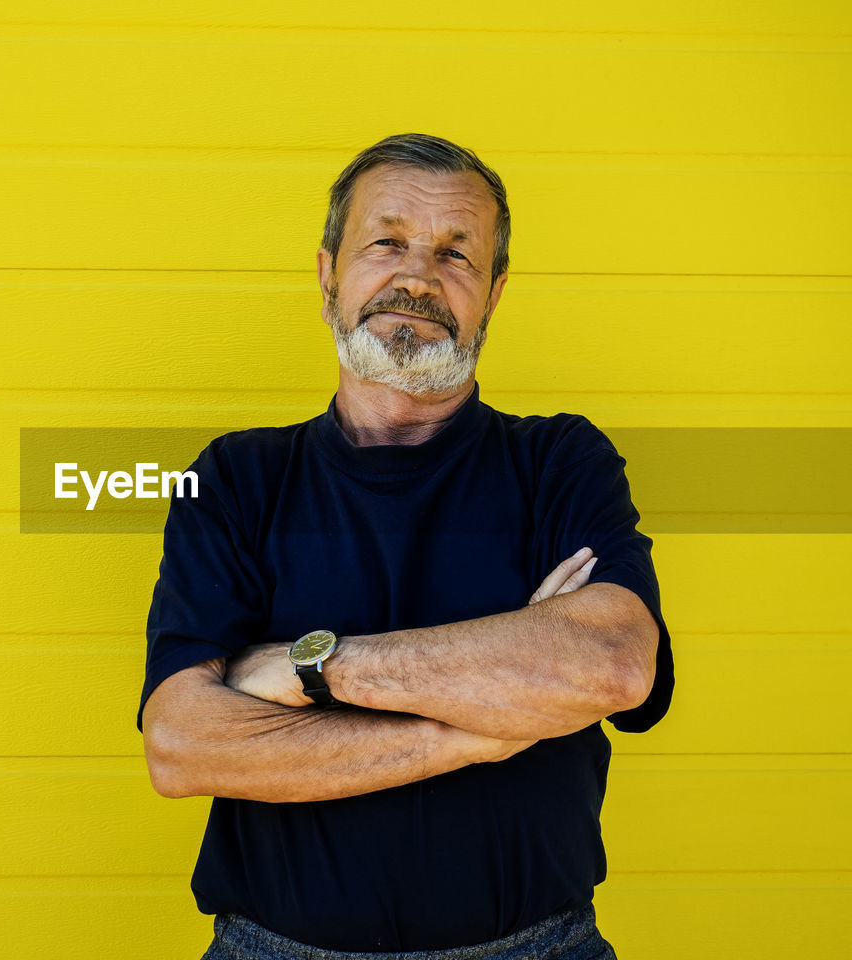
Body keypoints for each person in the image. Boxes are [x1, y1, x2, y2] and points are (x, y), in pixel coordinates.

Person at [138, 133, 675, 960]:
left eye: (455, 254)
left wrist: (302, 668)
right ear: (328, 278)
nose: (418, 277)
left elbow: (611, 665)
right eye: (386, 241)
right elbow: (181, 745)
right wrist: (476, 732)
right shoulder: (236, 479)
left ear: (493, 295)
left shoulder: (559, 462)